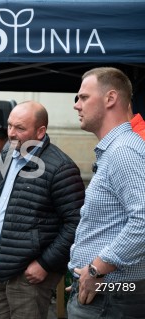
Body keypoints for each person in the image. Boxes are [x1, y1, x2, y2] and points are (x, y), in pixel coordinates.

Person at [0, 101, 85, 319]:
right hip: (1, 261)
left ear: (41, 131)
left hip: (30, 270)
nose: (12, 133)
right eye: (9, 126)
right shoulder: (7, 154)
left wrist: (44, 264)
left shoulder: (61, 167)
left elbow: (76, 224)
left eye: (20, 128)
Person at [68, 67, 145, 318]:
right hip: (107, 292)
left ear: (110, 99)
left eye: (83, 97)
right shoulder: (118, 150)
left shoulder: (123, 151)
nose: (76, 105)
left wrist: (94, 270)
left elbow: (142, 221)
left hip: (111, 296)